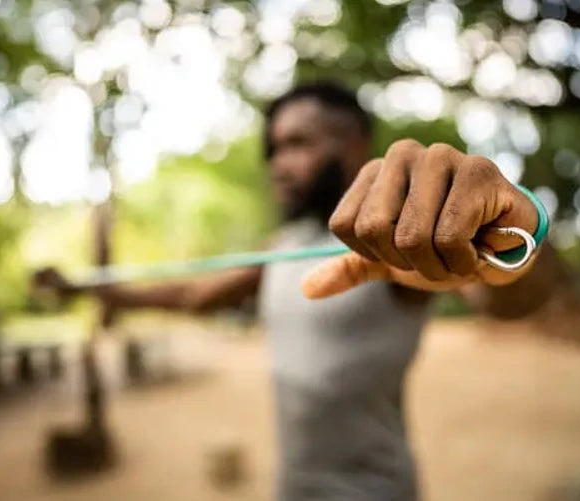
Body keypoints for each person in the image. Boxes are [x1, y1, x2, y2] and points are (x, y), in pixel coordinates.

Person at [35, 82, 545, 500]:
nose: (279, 163)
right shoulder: (283, 246)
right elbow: (193, 296)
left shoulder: (398, 244)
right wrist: (85, 288)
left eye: (298, 144)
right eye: (275, 148)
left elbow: (509, 300)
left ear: (354, 147)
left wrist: (520, 227)